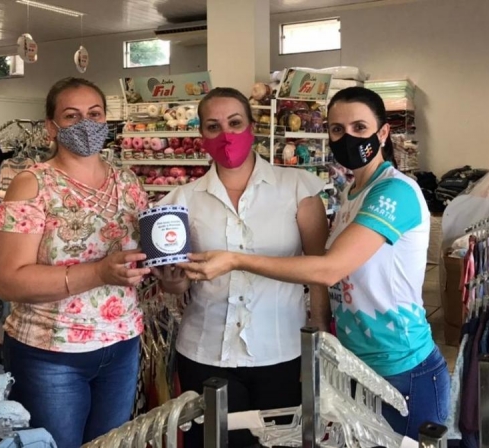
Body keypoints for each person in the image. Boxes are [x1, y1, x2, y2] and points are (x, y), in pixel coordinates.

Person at [179, 87, 450, 440]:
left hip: (401, 365)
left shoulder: (394, 191)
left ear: (383, 132)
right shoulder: (353, 193)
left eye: (359, 127)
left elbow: (328, 268)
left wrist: (235, 260)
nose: (348, 138)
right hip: (356, 361)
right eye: (337, 129)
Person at [153, 87, 329, 448]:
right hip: (205, 351)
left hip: (281, 350)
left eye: (235, 123)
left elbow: (319, 273)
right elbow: (181, 283)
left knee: (281, 443)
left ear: (251, 127)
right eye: (213, 126)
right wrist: (173, 282)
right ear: (201, 134)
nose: (226, 134)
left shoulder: (298, 189)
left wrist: (319, 338)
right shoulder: (181, 200)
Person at [0, 77, 150, 448]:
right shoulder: (32, 185)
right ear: (51, 127)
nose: (86, 124)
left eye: (94, 114)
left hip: (122, 343)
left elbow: (144, 253)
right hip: (50, 352)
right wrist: (99, 272)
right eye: (72, 116)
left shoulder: (128, 182)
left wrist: (169, 266)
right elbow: (9, 281)